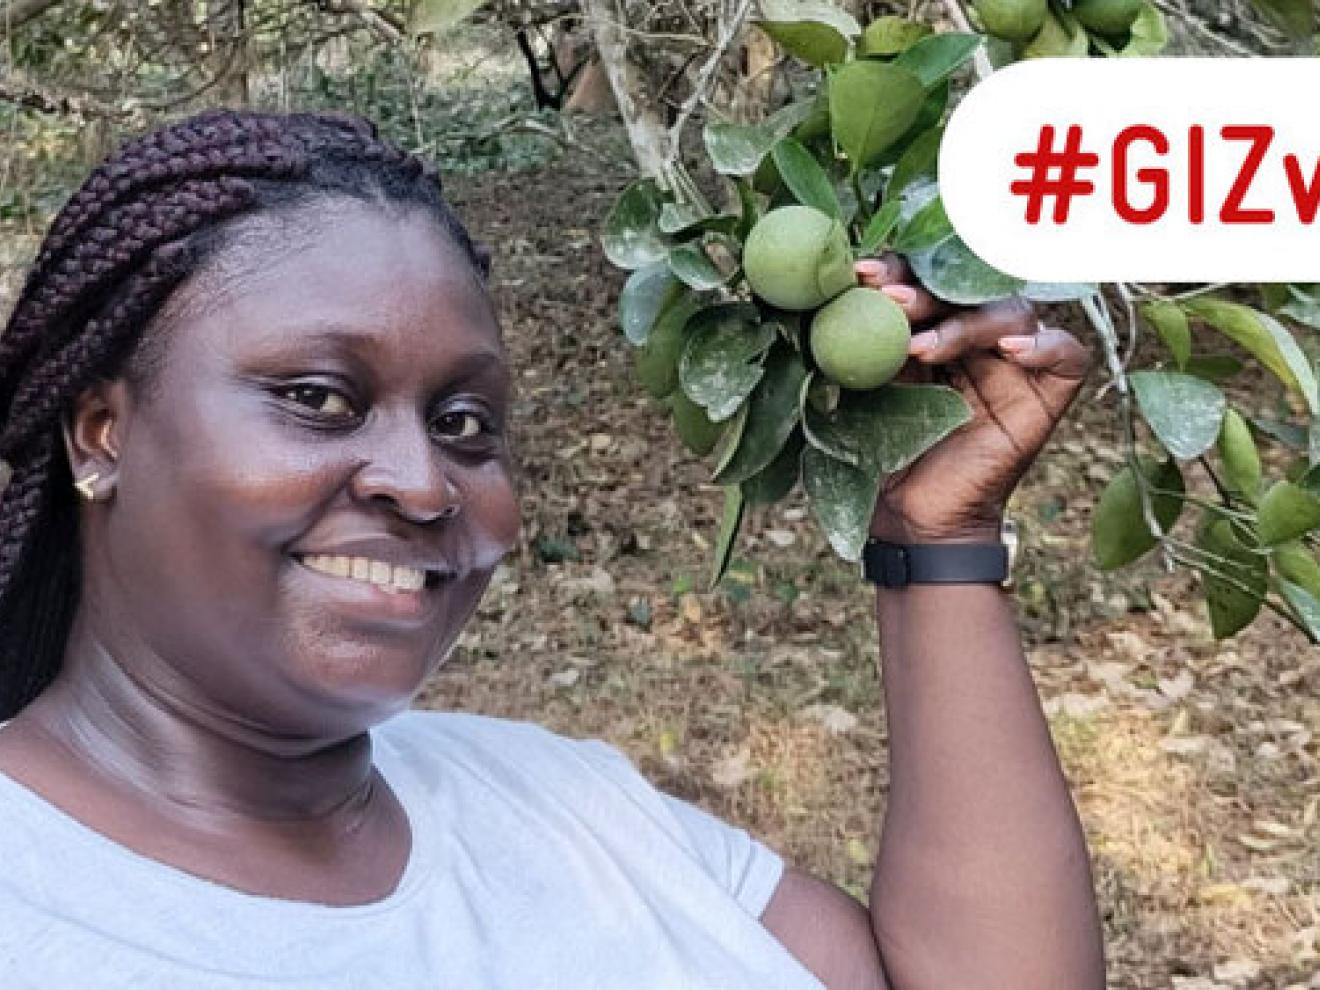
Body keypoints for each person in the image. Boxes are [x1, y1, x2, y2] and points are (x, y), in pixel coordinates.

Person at [0, 109, 1103, 988]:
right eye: (318, 397)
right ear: (105, 434)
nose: (424, 481)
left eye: (466, 423)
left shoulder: (564, 801)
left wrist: (936, 539)